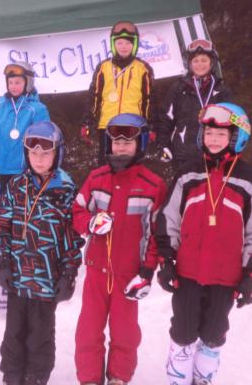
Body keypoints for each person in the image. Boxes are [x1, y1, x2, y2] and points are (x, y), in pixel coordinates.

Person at [155, 103, 252, 385]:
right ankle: (178, 379)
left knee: (214, 334)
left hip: (226, 276)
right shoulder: (188, 174)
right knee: (183, 332)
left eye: (221, 134)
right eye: (208, 133)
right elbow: (169, 219)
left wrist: (251, 275)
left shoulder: (250, 179)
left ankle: (202, 378)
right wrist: (166, 260)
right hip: (187, 273)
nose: (214, 139)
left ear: (236, 137)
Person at [73, 114, 167, 385]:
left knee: (125, 333)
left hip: (128, 274)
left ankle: (118, 377)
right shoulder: (97, 178)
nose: (121, 148)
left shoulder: (153, 185)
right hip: (97, 271)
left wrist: (147, 271)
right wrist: (90, 223)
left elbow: (155, 234)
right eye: (116, 142)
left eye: (128, 143)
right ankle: (89, 379)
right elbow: (77, 210)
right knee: (88, 331)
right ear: (109, 144)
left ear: (140, 145)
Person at [0, 121, 84, 385]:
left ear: (57, 153)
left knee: (40, 337)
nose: (39, 158)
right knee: (14, 334)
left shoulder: (65, 188)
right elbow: (1, 226)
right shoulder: (15, 185)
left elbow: (72, 236)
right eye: (34, 152)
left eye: (46, 153)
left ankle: (36, 378)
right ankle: (12, 377)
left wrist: (69, 273)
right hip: (18, 278)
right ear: (26, 154)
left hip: (47, 280)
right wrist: (3, 262)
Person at [84, 21, 154, 164]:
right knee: (106, 165)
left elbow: (150, 100)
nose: (124, 47)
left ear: (134, 45)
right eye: (119, 43)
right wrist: (87, 123)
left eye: (128, 43)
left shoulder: (143, 68)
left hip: (133, 126)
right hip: (107, 126)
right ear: (113, 44)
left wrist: (151, 125)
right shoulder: (103, 67)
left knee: (132, 165)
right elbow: (94, 97)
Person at [156, 38, 233, 169]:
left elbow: (231, 124)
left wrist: (229, 150)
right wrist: (163, 145)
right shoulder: (178, 88)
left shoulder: (221, 91)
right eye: (195, 61)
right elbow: (165, 119)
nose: (199, 64)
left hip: (212, 155)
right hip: (182, 155)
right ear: (189, 64)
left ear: (211, 63)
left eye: (204, 60)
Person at [0, 61, 50, 188]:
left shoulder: (37, 109)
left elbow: (43, 140)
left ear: (28, 83)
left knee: (18, 200)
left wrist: (38, 166)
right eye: (10, 82)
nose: (13, 86)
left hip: (23, 169)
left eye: (18, 82)